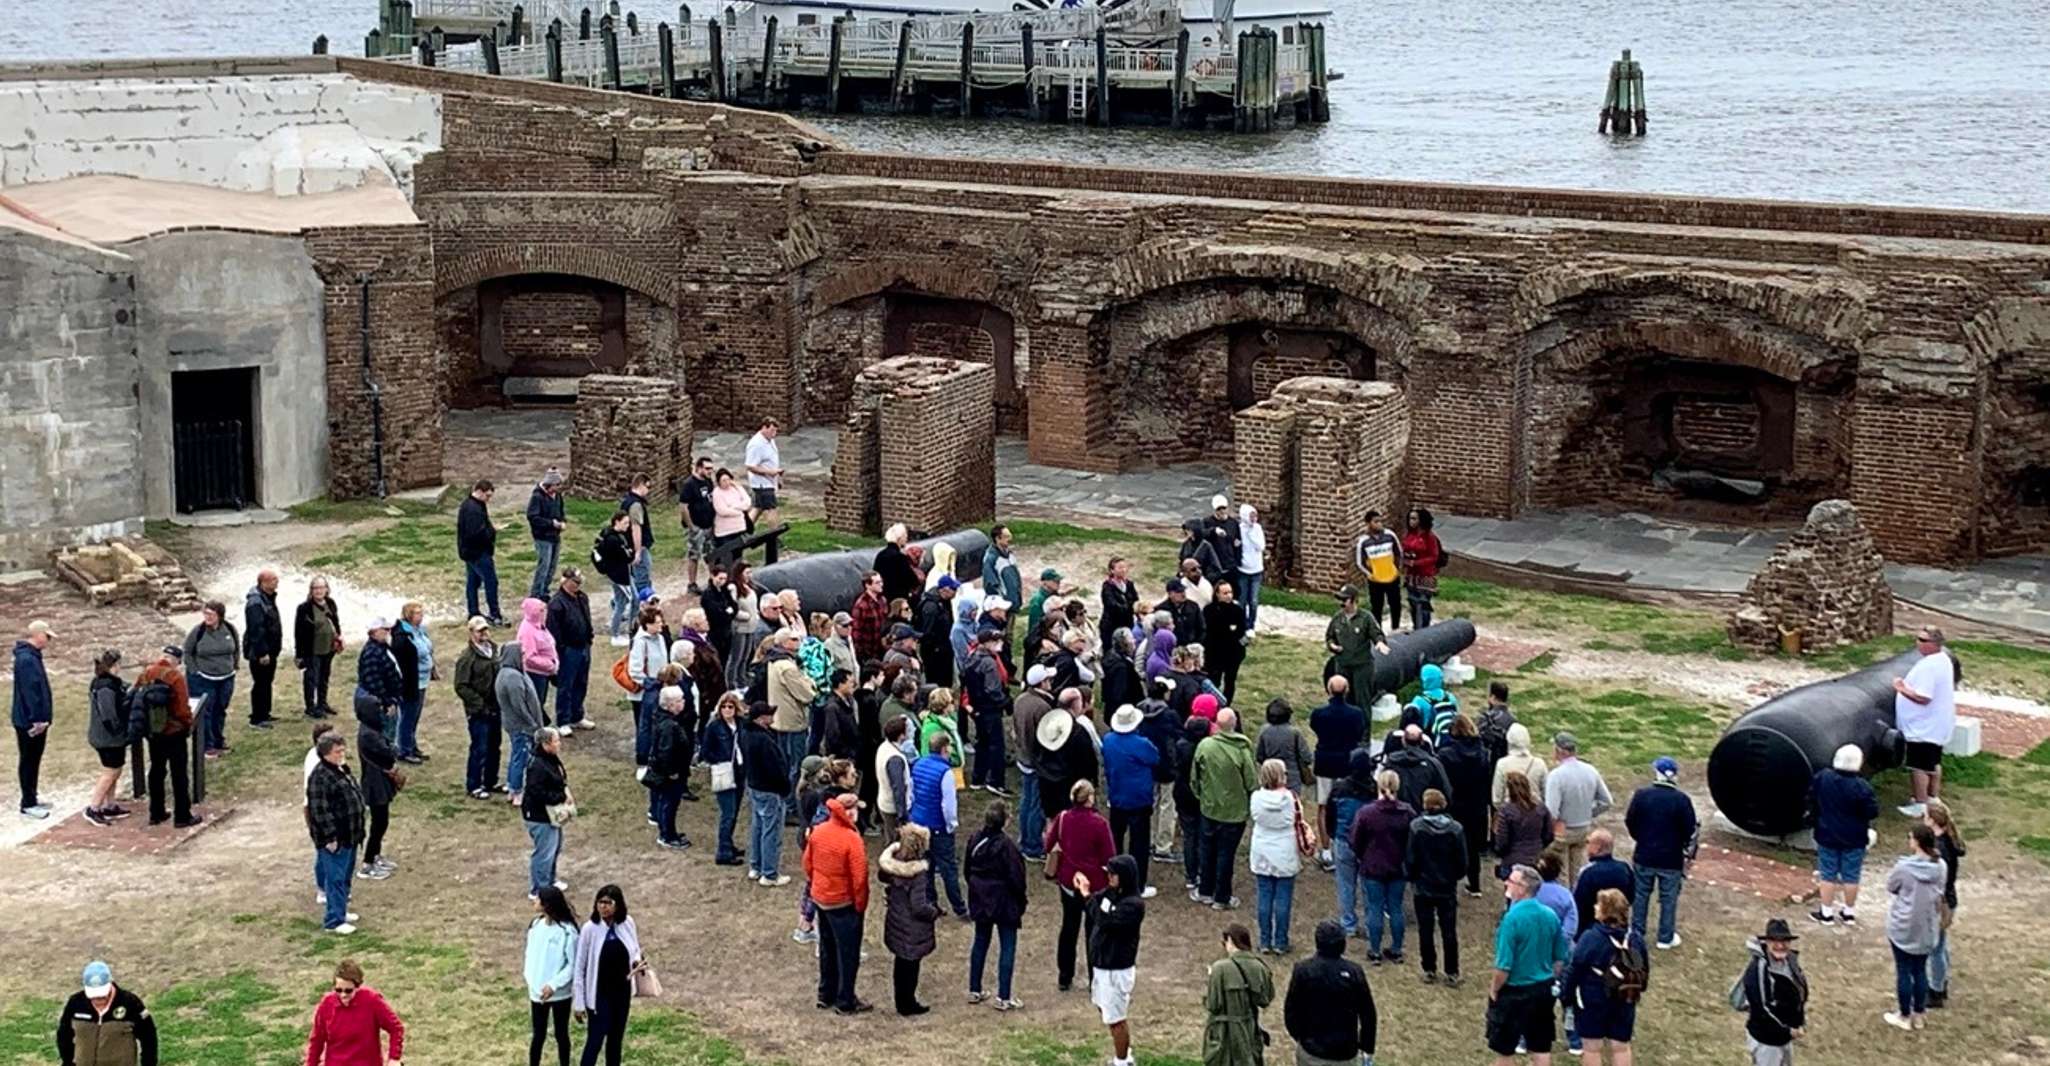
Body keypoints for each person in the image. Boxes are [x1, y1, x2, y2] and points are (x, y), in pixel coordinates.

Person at [802, 792, 874, 1014]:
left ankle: (825, 993)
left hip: (822, 899)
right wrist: (860, 905)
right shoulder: (852, 839)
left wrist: (817, 886)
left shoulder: (818, 831)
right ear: (850, 812)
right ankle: (845, 1001)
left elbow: (807, 864)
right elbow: (859, 878)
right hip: (843, 903)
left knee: (827, 947)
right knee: (848, 953)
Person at [1490, 864, 1568, 1066]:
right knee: (1541, 1046)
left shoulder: (1512, 919)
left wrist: (1494, 990)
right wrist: (1549, 976)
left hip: (1515, 991)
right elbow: (1560, 956)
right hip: (1542, 989)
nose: (1507, 883)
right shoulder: (1550, 915)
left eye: (1512, 881)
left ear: (1523, 888)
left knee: (1505, 1048)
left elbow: (1504, 966)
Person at [1565, 888, 1648, 1066]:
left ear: (1605, 910)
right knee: (1621, 1047)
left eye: (1598, 904)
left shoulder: (1591, 938)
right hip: (1625, 998)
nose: (1595, 907)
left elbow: (1576, 967)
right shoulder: (1635, 938)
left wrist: (1566, 994)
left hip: (1594, 999)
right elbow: (1644, 967)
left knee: (1592, 1048)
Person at [1047, 778, 1115, 990]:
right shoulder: (1099, 823)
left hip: (1068, 881)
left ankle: (1064, 977)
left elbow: (1049, 843)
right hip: (1094, 884)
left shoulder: (1063, 818)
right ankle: (1095, 977)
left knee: (1068, 928)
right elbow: (1109, 855)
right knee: (1093, 930)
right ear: (1090, 798)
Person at [1624, 756, 1698, 948]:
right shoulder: (1682, 800)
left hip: (1644, 854)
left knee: (1641, 894)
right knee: (1669, 898)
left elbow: (1630, 821)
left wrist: (1641, 838)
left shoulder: (1641, 795)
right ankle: (1665, 937)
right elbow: (1689, 829)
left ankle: (1637, 932)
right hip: (1671, 858)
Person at [1285, 920, 1378, 1066]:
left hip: (1312, 1050)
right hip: (1344, 1052)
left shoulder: (1303, 970)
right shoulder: (1354, 972)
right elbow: (1368, 1014)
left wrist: (1300, 1037)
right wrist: (1367, 1047)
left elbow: (1291, 1010)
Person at [1193, 708, 1260, 909]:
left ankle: (1205, 890)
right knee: (1225, 854)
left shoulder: (1205, 746)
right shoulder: (1241, 750)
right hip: (1234, 811)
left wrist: (1202, 796)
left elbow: (1194, 778)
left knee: (1207, 850)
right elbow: (1251, 781)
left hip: (1210, 807)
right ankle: (1221, 897)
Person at [1084, 854, 1147, 1066]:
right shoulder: (1113, 894)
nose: (1108, 878)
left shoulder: (1133, 906)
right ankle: (1124, 1054)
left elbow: (1104, 920)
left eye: (1112, 874)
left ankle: (1122, 1061)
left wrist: (1086, 896)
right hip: (1103, 966)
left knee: (1116, 1020)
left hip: (1116, 970)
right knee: (1105, 1009)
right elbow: (1099, 902)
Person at [966, 801, 1029, 1010]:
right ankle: (1004, 996)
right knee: (1007, 946)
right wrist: (1020, 899)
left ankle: (974, 989)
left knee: (980, 941)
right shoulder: (1007, 847)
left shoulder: (974, 839)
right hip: (1004, 901)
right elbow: (1017, 878)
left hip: (981, 898)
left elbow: (967, 870)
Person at [1883, 823, 1946, 1032]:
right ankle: (1919, 1014)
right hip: (1927, 925)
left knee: (1904, 971)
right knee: (1920, 971)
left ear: (1917, 841)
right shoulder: (1941, 866)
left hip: (1904, 923)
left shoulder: (1904, 867)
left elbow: (1891, 887)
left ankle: (1904, 1014)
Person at [1809, 743, 1879, 926]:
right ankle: (1848, 912)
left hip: (1827, 834)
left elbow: (1811, 798)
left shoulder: (1823, 778)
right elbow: (1872, 812)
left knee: (1827, 874)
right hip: (1854, 837)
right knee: (1851, 875)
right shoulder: (1862, 787)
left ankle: (1826, 912)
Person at [573, 886, 642, 1066]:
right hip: (599, 994)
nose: (603, 907)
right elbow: (579, 967)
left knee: (615, 1040)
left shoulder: (627, 923)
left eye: (608, 903)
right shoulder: (590, 929)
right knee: (595, 1040)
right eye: (600, 902)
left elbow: (634, 948)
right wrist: (579, 1002)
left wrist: (636, 962)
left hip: (621, 992)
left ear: (617, 905)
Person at [1892, 625, 1957, 817]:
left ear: (1934, 644)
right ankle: (1932, 797)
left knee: (1918, 766)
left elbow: (1923, 696)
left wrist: (1901, 688)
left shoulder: (1930, 666)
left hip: (1923, 726)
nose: (1917, 643)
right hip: (1935, 724)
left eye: (1922, 640)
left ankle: (1920, 803)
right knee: (1934, 761)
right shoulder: (1942, 659)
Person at [1350, 769, 1413, 963]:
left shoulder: (1367, 813)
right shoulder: (1407, 813)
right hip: (1397, 867)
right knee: (1396, 908)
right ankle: (1396, 948)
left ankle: (1375, 950)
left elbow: (1354, 839)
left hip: (1373, 867)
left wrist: (1363, 856)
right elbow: (1413, 840)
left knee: (1374, 908)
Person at [306, 734, 366, 934]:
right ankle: (333, 921)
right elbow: (319, 811)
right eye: (337, 751)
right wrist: (331, 837)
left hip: (351, 835)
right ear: (325, 753)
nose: (342, 754)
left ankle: (341, 911)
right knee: (335, 878)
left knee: (345, 876)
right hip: (335, 839)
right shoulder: (320, 777)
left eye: (343, 750)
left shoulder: (339, 769)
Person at [1407, 787, 1467, 985]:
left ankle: (1429, 968)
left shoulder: (1416, 827)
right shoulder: (1455, 829)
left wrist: (1414, 877)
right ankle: (1452, 971)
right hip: (1446, 887)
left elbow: (1411, 858)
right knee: (1449, 931)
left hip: (1423, 887)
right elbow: (1462, 862)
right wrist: (1453, 877)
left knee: (1426, 929)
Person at [1103, 704, 1162, 897]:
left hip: (1117, 796)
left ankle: (1114, 878)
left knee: (1115, 840)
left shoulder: (1109, 740)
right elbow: (1155, 758)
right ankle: (1137, 884)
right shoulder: (1141, 744)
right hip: (1138, 799)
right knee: (1139, 843)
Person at [880, 821, 938, 1015]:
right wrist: (933, 912)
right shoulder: (918, 874)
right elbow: (918, 906)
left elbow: (883, 877)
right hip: (912, 928)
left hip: (896, 921)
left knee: (900, 964)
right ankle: (908, 1003)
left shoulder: (893, 864)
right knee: (911, 968)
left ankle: (900, 1000)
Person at [1248, 759, 1305, 954]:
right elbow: (1298, 820)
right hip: (1284, 848)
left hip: (1262, 847)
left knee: (1264, 895)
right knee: (1283, 897)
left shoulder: (1256, 797)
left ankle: (1264, 941)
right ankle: (1280, 941)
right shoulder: (1290, 798)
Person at [137, 646, 196, 827]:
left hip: (154, 732)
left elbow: (137, 699)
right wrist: (188, 724)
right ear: (176, 661)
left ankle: (156, 812)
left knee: (156, 771)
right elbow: (182, 708)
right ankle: (182, 816)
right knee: (179, 774)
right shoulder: (175, 677)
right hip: (174, 731)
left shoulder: (146, 674)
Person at [58, 959, 158, 1066]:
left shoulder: (130, 1003)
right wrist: (68, 1062)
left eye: (102, 995)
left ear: (110, 983)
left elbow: (149, 1038)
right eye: (94, 996)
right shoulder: (75, 1003)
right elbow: (64, 1035)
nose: (98, 1000)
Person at [305, 959, 404, 1066]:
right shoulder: (327, 1004)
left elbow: (396, 1028)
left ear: (357, 986)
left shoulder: (372, 1001)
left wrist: (394, 1058)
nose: (343, 995)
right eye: (338, 990)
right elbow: (317, 1041)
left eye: (348, 990)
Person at [1736, 918, 1808, 1065]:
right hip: (1767, 1040)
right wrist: (1787, 1031)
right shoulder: (1758, 969)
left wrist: (1799, 1023)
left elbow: (1800, 993)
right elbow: (1761, 1008)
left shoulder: (1790, 961)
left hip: (1784, 1037)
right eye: (1775, 941)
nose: (1780, 945)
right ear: (1767, 942)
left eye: (1785, 941)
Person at [1307, 675, 1362, 865]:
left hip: (1325, 762)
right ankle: (1347, 845)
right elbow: (1359, 732)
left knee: (1323, 805)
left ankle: (1326, 849)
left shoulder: (1319, 713)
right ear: (1346, 691)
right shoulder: (1356, 713)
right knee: (1348, 804)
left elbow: (1315, 728)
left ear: (1329, 690)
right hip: (1346, 763)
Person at [1544, 731, 1611, 884]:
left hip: (1563, 830)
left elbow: (1551, 812)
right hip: (1583, 828)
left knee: (1560, 873)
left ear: (1560, 751)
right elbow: (1607, 801)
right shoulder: (1591, 770)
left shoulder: (1556, 776)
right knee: (1577, 871)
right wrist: (1589, 813)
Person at [1203, 923, 1273, 1066]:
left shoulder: (1219, 968)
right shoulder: (1260, 967)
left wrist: (1212, 980)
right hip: (1250, 1031)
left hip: (1224, 1034)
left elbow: (1213, 1005)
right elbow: (1266, 999)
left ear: (1230, 940)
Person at [1438, 714, 1493, 896]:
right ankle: (1475, 884)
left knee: (1450, 846)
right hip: (1476, 805)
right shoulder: (1483, 753)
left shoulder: (1446, 754)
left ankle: (1450, 885)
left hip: (1455, 805)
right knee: (1473, 848)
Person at [740, 701, 793, 885]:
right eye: (769, 714)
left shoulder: (746, 734)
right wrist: (785, 787)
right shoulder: (764, 740)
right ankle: (770, 873)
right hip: (770, 789)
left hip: (754, 786)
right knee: (771, 830)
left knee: (758, 826)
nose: (772, 717)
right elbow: (775, 768)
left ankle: (756, 866)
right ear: (762, 719)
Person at [525, 886, 578, 1066]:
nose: (534, 902)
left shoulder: (567, 931)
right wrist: (533, 983)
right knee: (538, 1035)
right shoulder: (535, 925)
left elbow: (572, 965)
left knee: (561, 1033)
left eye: (538, 899)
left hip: (560, 994)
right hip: (537, 992)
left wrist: (554, 985)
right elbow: (530, 957)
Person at [182, 600, 241, 758]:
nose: (207, 617)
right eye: (205, 613)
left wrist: (234, 664)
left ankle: (218, 740)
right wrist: (195, 671)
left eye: (211, 614)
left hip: (226, 677)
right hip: (204, 679)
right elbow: (187, 652)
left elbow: (235, 648)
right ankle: (207, 746)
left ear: (219, 616)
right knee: (206, 712)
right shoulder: (198, 631)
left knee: (220, 709)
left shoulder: (229, 629)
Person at [452, 618, 502, 799]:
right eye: (480, 631)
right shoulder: (467, 658)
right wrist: (479, 704)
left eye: (485, 630)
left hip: (496, 706)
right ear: (471, 633)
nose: (484, 634)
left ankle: (491, 781)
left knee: (494, 746)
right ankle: (473, 784)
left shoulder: (494, 650)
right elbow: (461, 686)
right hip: (479, 711)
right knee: (479, 747)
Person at [81, 649, 131, 826]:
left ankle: (110, 805)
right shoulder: (105, 686)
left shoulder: (107, 682)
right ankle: (94, 808)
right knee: (110, 772)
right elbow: (109, 714)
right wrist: (118, 730)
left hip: (108, 736)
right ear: (114, 665)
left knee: (115, 770)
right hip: (107, 737)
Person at [11, 620, 55, 819]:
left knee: (34, 759)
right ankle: (27, 802)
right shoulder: (27, 660)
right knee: (28, 760)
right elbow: (31, 692)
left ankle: (32, 797)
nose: (48, 641)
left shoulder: (31, 657)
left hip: (33, 719)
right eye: (47, 636)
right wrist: (37, 719)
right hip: (29, 721)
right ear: (37, 635)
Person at [353, 695, 399, 883]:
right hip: (375, 783)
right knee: (379, 823)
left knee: (382, 822)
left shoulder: (369, 729)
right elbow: (389, 751)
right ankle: (367, 863)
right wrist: (392, 749)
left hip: (378, 780)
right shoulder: (368, 734)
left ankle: (376, 855)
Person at [521, 728, 571, 900]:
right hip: (539, 816)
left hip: (550, 814)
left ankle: (549, 881)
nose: (559, 744)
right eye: (556, 741)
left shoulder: (548, 759)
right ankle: (539, 889)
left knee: (554, 848)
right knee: (544, 852)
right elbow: (536, 791)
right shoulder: (538, 766)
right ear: (545, 744)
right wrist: (560, 796)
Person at [1924, 799, 1964, 1008]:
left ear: (1931, 820)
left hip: (1941, 903)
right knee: (1941, 944)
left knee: (1936, 948)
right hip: (1950, 899)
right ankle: (1941, 982)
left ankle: (1936, 990)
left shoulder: (1938, 849)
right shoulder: (1950, 840)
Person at [496, 642, 545, 806]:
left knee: (517, 755)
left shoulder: (510, 673)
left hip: (517, 724)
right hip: (521, 726)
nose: (524, 657)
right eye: (521, 654)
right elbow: (519, 706)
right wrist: (532, 724)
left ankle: (512, 787)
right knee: (521, 757)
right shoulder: (512, 677)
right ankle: (517, 791)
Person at [646, 685, 693, 850]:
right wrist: (672, 772)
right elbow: (666, 751)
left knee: (667, 802)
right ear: (671, 704)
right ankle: (667, 835)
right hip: (670, 773)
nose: (683, 702)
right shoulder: (668, 726)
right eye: (680, 700)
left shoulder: (666, 720)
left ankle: (668, 832)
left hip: (669, 771)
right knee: (669, 803)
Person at [1325, 586, 1388, 708]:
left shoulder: (1365, 618)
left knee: (1362, 700)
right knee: (1343, 701)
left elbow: (1376, 634)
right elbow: (1329, 636)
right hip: (1342, 664)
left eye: (1344, 600)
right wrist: (1332, 645)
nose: (1341, 603)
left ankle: (1364, 726)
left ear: (1353, 600)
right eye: (1340, 600)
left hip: (1361, 666)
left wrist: (1379, 643)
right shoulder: (1337, 618)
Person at [548, 568, 594, 732]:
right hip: (568, 650)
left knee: (581, 682)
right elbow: (554, 631)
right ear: (565, 581)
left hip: (583, 646)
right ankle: (563, 720)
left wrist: (589, 638)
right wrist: (560, 650)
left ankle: (577, 715)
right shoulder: (556, 604)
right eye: (576, 582)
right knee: (566, 686)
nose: (579, 585)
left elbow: (586, 618)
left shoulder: (582, 597)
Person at [390, 603, 434, 763]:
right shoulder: (402, 637)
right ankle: (404, 750)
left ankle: (411, 745)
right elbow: (404, 662)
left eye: (421, 614)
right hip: (410, 683)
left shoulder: (419, 630)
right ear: (409, 615)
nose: (420, 617)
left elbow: (427, 649)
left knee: (414, 716)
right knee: (408, 716)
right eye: (417, 614)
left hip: (422, 680)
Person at [458, 479, 505, 626]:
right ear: (479, 491)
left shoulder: (472, 505)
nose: (489, 499)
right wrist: (492, 530)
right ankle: (494, 614)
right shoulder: (473, 509)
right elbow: (475, 533)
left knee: (473, 582)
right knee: (490, 581)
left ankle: (473, 612)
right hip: (477, 552)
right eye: (488, 496)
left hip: (469, 551)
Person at [1574, 829, 1635, 941]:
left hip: (1592, 928)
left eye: (1588, 842)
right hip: (1620, 926)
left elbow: (1580, 904)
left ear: (1597, 847)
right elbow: (1631, 896)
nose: (1586, 845)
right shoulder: (1624, 868)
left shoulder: (1588, 873)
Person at [294, 578, 343, 718]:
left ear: (327, 589)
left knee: (324, 676)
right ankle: (310, 707)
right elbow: (299, 632)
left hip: (329, 647)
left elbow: (335, 622)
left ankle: (322, 703)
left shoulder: (331, 603)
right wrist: (299, 654)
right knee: (311, 678)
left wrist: (339, 637)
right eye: (315, 588)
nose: (319, 591)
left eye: (321, 587)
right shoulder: (304, 608)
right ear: (311, 590)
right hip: (312, 649)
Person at [1493, 770, 1553, 875]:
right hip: (1536, 858)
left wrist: (1500, 853)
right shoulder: (1541, 808)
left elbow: (1502, 842)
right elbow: (1549, 835)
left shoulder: (1506, 811)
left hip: (1512, 861)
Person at [244, 570, 283, 731]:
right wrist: (262, 652)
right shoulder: (255, 602)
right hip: (261, 652)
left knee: (267, 682)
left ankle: (265, 712)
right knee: (260, 683)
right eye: (273, 580)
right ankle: (257, 717)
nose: (276, 582)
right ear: (263, 582)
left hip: (270, 650)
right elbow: (256, 629)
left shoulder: (267, 598)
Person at [1380, 724, 1450, 814]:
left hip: (1396, 815)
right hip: (1424, 817)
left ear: (1403, 740)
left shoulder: (1390, 762)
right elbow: (1446, 792)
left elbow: (1381, 788)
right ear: (1422, 741)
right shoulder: (1433, 764)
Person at [1353, 511, 1404, 630]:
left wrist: (1397, 569)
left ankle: (1395, 627)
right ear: (1368, 523)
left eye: (1380, 521)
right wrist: (1370, 575)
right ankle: (1377, 630)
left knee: (1395, 604)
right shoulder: (1364, 542)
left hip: (1392, 577)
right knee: (1377, 606)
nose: (1379, 524)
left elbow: (1398, 553)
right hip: (1376, 580)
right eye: (1376, 522)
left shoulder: (1390, 535)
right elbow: (1360, 562)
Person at [1201, 580, 1249, 704]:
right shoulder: (1209, 610)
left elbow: (1240, 630)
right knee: (1214, 680)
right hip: (1215, 653)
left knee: (1230, 681)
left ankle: (1227, 704)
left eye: (1230, 592)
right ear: (1217, 594)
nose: (1228, 595)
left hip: (1233, 654)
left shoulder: (1237, 610)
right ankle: (1212, 703)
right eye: (1225, 593)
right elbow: (1211, 631)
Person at [526, 468, 568, 600]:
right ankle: (536, 593)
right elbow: (533, 517)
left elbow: (561, 511)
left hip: (555, 536)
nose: (558, 488)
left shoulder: (557, 496)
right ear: (549, 484)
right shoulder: (537, 497)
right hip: (543, 537)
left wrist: (562, 521)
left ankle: (544, 591)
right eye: (556, 485)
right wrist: (551, 523)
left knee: (552, 566)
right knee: (543, 566)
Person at [1400, 508, 1444, 629]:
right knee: (1413, 603)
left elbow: (1434, 556)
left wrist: (1416, 562)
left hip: (1425, 575)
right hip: (1411, 575)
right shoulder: (1410, 534)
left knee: (1424, 604)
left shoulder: (1430, 537)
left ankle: (1424, 628)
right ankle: (1416, 626)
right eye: (1410, 518)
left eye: (1414, 519)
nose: (1411, 521)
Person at [676, 456, 716, 592]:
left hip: (708, 524)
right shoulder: (689, 484)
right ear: (699, 468)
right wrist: (691, 526)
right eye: (707, 468)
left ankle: (713, 579)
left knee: (711, 554)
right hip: (696, 525)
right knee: (694, 555)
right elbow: (683, 507)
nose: (710, 471)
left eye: (711, 469)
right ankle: (692, 583)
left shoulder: (708, 482)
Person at [517, 597, 561, 709]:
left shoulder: (538, 625)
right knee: (535, 704)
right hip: (535, 674)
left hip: (544, 673)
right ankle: (535, 726)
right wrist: (550, 665)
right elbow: (529, 658)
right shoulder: (528, 631)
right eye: (540, 610)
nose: (544, 613)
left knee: (540, 702)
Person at [1492, 721, 1548, 807]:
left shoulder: (1502, 764)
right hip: (1534, 812)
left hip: (1510, 813)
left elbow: (1497, 798)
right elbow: (1546, 794)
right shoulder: (1539, 764)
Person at [1403, 663, 1459, 741]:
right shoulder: (1450, 697)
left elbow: (1413, 722)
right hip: (1450, 736)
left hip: (1428, 738)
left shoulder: (1419, 700)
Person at [744, 417, 783, 528]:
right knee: (771, 509)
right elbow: (750, 466)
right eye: (772, 430)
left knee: (757, 508)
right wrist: (769, 472)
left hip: (769, 481)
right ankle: (775, 537)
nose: (774, 434)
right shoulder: (756, 444)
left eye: (776, 431)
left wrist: (777, 477)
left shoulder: (770, 440)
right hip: (762, 484)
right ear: (764, 428)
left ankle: (743, 531)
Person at [1235, 505, 1266, 630]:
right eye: (1251, 516)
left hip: (1256, 570)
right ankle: (1242, 624)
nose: (1254, 519)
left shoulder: (1257, 529)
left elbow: (1261, 546)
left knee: (1253, 601)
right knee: (1242, 601)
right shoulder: (1239, 529)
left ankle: (1251, 625)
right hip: (1243, 569)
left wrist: (1251, 535)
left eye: (1255, 516)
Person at [1478, 680, 1517, 768]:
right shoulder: (1513, 720)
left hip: (1489, 765)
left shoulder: (1487, 718)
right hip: (1508, 764)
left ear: (1493, 697)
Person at [1100, 556, 1138, 637]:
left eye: (1124, 567)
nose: (1123, 570)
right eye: (1120, 568)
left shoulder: (1129, 584)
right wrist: (1129, 608)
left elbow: (1136, 600)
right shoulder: (1107, 587)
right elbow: (1112, 606)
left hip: (1127, 623)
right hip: (1112, 626)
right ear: (1112, 570)